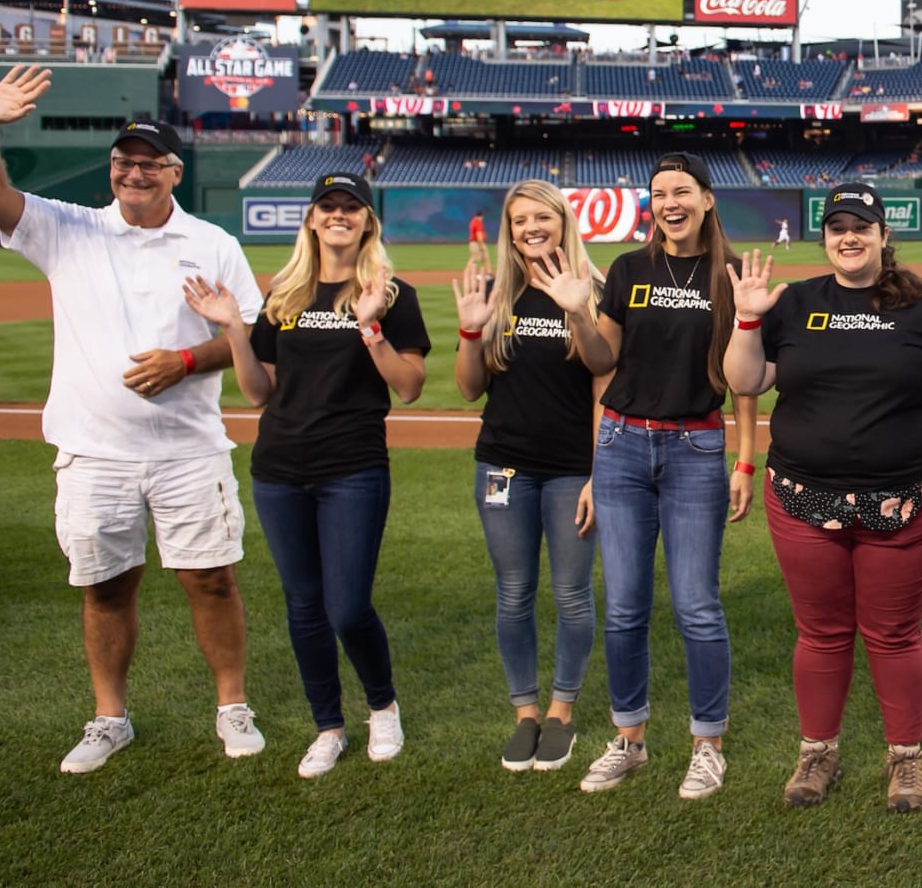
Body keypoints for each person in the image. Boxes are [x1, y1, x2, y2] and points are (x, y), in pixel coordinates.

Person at [0, 74, 266, 774]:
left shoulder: (212, 242)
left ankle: (231, 705)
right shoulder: (68, 228)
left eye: (148, 162)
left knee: (212, 579)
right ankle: (109, 717)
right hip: (93, 450)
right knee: (104, 585)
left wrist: (188, 359)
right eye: (123, 161)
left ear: (174, 173)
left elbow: (248, 336)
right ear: (113, 170)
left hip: (190, 449)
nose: (133, 171)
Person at [725, 184, 922, 812]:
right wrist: (748, 318)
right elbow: (745, 380)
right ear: (825, 238)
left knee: (893, 634)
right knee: (821, 633)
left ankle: (906, 760)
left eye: (861, 226)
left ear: (883, 235)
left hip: (903, 502)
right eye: (838, 227)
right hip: (803, 498)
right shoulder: (796, 302)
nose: (849, 237)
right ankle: (817, 752)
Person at [185, 171, 429, 778]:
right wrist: (236, 331)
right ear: (312, 219)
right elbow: (258, 394)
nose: (339, 214)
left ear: (368, 221)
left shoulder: (391, 294)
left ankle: (382, 705)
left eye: (351, 206)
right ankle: (328, 726)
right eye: (328, 206)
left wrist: (369, 324)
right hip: (280, 468)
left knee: (348, 607)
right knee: (304, 607)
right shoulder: (284, 295)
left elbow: (410, 387)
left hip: (353, 467)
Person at [578, 152, 759, 800]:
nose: (669, 202)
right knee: (624, 607)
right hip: (623, 446)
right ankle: (629, 739)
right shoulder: (629, 269)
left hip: (695, 450)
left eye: (682, 190)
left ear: (708, 200)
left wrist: (744, 458)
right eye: (659, 192)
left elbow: (742, 379)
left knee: (697, 606)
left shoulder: (732, 275)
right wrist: (578, 311)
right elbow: (601, 360)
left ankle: (707, 746)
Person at [453, 180, 611, 773]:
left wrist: (599, 475)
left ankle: (562, 712)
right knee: (513, 592)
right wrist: (471, 331)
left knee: (572, 594)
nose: (530, 228)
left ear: (562, 221)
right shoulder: (497, 294)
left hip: (572, 470)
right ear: (509, 229)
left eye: (541, 216)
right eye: (519, 220)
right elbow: (470, 388)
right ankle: (524, 713)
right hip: (502, 467)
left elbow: (603, 380)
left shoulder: (593, 290)